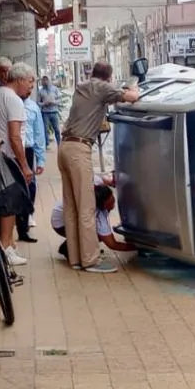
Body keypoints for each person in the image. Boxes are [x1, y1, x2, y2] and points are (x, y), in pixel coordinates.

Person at [58, 62, 138, 273]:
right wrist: (134, 88)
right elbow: (132, 97)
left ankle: (75, 258)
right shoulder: (101, 87)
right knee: (87, 207)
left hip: (64, 147)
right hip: (79, 149)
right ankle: (90, 260)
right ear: (109, 77)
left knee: (71, 206)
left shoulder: (82, 87)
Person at [0, 63, 38, 265]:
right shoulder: (14, 100)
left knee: (1, 205)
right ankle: (6, 247)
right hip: (7, 157)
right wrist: (24, 165)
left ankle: (6, 245)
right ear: (20, 79)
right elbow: (15, 136)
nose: (31, 87)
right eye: (30, 81)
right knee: (10, 205)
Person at [51, 184, 135, 264]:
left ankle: (71, 245)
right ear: (102, 206)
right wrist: (136, 247)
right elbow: (112, 244)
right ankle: (69, 250)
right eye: (110, 203)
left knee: (97, 232)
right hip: (61, 225)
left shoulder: (94, 192)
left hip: (61, 215)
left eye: (113, 200)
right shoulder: (97, 215)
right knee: (98, 236)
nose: (113, 205)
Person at [18, 88, 46, 239]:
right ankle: (19, 220)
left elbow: (39, 133)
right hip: (12, 149)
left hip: (28, 150)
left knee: (30, 185)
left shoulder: (33, 107)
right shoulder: (9, 102)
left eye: (31, 86)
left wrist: (41, 159)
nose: (29, 89)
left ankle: (28, 213)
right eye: (27, 84)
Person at [37, 75, 62, 148]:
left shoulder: (55, 89)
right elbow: (38, 102)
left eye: (46, 80)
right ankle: (46, 144)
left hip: (54, 112)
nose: (45, 82)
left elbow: (59, 100)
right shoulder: (41, 91)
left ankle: (59, 143)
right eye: (43, 80)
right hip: (45, 112)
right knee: (45, 129)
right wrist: (44, 103)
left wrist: (54, 102)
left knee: (57, 129)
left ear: (49, 80)